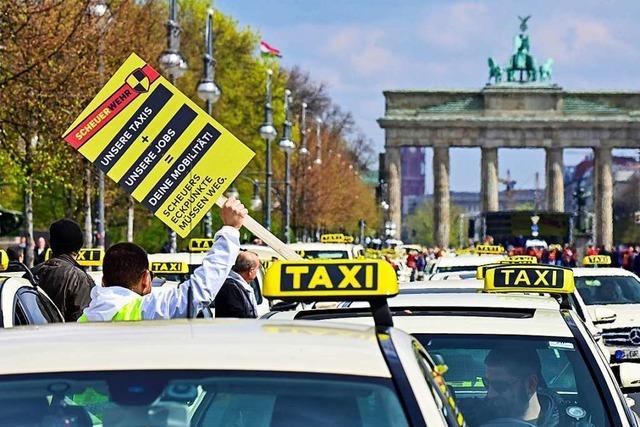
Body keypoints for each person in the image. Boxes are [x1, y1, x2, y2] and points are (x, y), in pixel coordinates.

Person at [78, 198, 246, 322]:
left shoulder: (82, 321)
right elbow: (198, 292)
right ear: (145, 279)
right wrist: (230, 230)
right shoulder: (145, 311)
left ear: (104, 282)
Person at [463, 348, 569, 426]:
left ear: (531, 384)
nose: (490, 394)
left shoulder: (566, 422)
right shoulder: (467, 418)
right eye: (486, 383)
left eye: (500, 385)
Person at [31, 219, 95, 322]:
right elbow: (82, 322)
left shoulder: (32, 273)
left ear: (50, 243)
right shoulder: (80, 279)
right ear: (79, 246)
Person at [214, 250, 260, 318]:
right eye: (257, 268)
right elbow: (238, 317)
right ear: (251, 271)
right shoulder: (230, 288)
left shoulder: (238, 285)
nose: (257, 271)